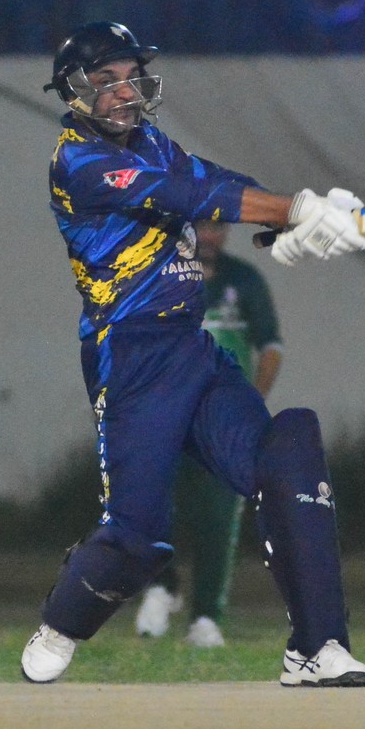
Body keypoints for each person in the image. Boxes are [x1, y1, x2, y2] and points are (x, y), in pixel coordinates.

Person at [21, 21, 365, 687]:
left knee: (287, 456)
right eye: (105, 81)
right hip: (132, 358)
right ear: (73, 93)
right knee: (137, 541)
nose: (123, 92)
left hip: (191, 348)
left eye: (131, 78)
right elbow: (188, 197)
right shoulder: (79, 161)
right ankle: (62, 620)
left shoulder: (153, 143)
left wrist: (285, 221)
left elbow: (213, 179)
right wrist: (297, 208)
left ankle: (317, 645)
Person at [132, 218, 283, 647]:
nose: (212, 236)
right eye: (203, 226)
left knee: (218, 518)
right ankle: (162, 586)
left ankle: (205, 618)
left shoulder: (244, 280)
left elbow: (271, 347)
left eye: (219, 227)